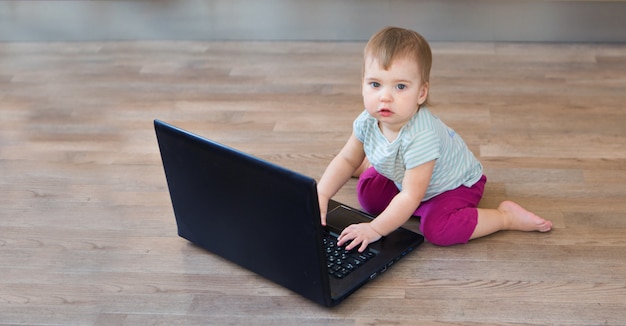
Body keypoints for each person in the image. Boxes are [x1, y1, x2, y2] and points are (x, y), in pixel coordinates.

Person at [317, 26, 552, 252]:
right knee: (368, 196)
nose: (385, 97)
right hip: (411, 180)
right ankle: (377, 164)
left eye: (400, 86)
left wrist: (375, 229)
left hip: (452, 185)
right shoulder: (367, 120)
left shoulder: (421, 136)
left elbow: (410, 195)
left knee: (437, 230)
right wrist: (321, 195)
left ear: (421, 93)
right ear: (363, 86)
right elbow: (347, 160)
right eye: (375, 84)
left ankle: (505, 217)